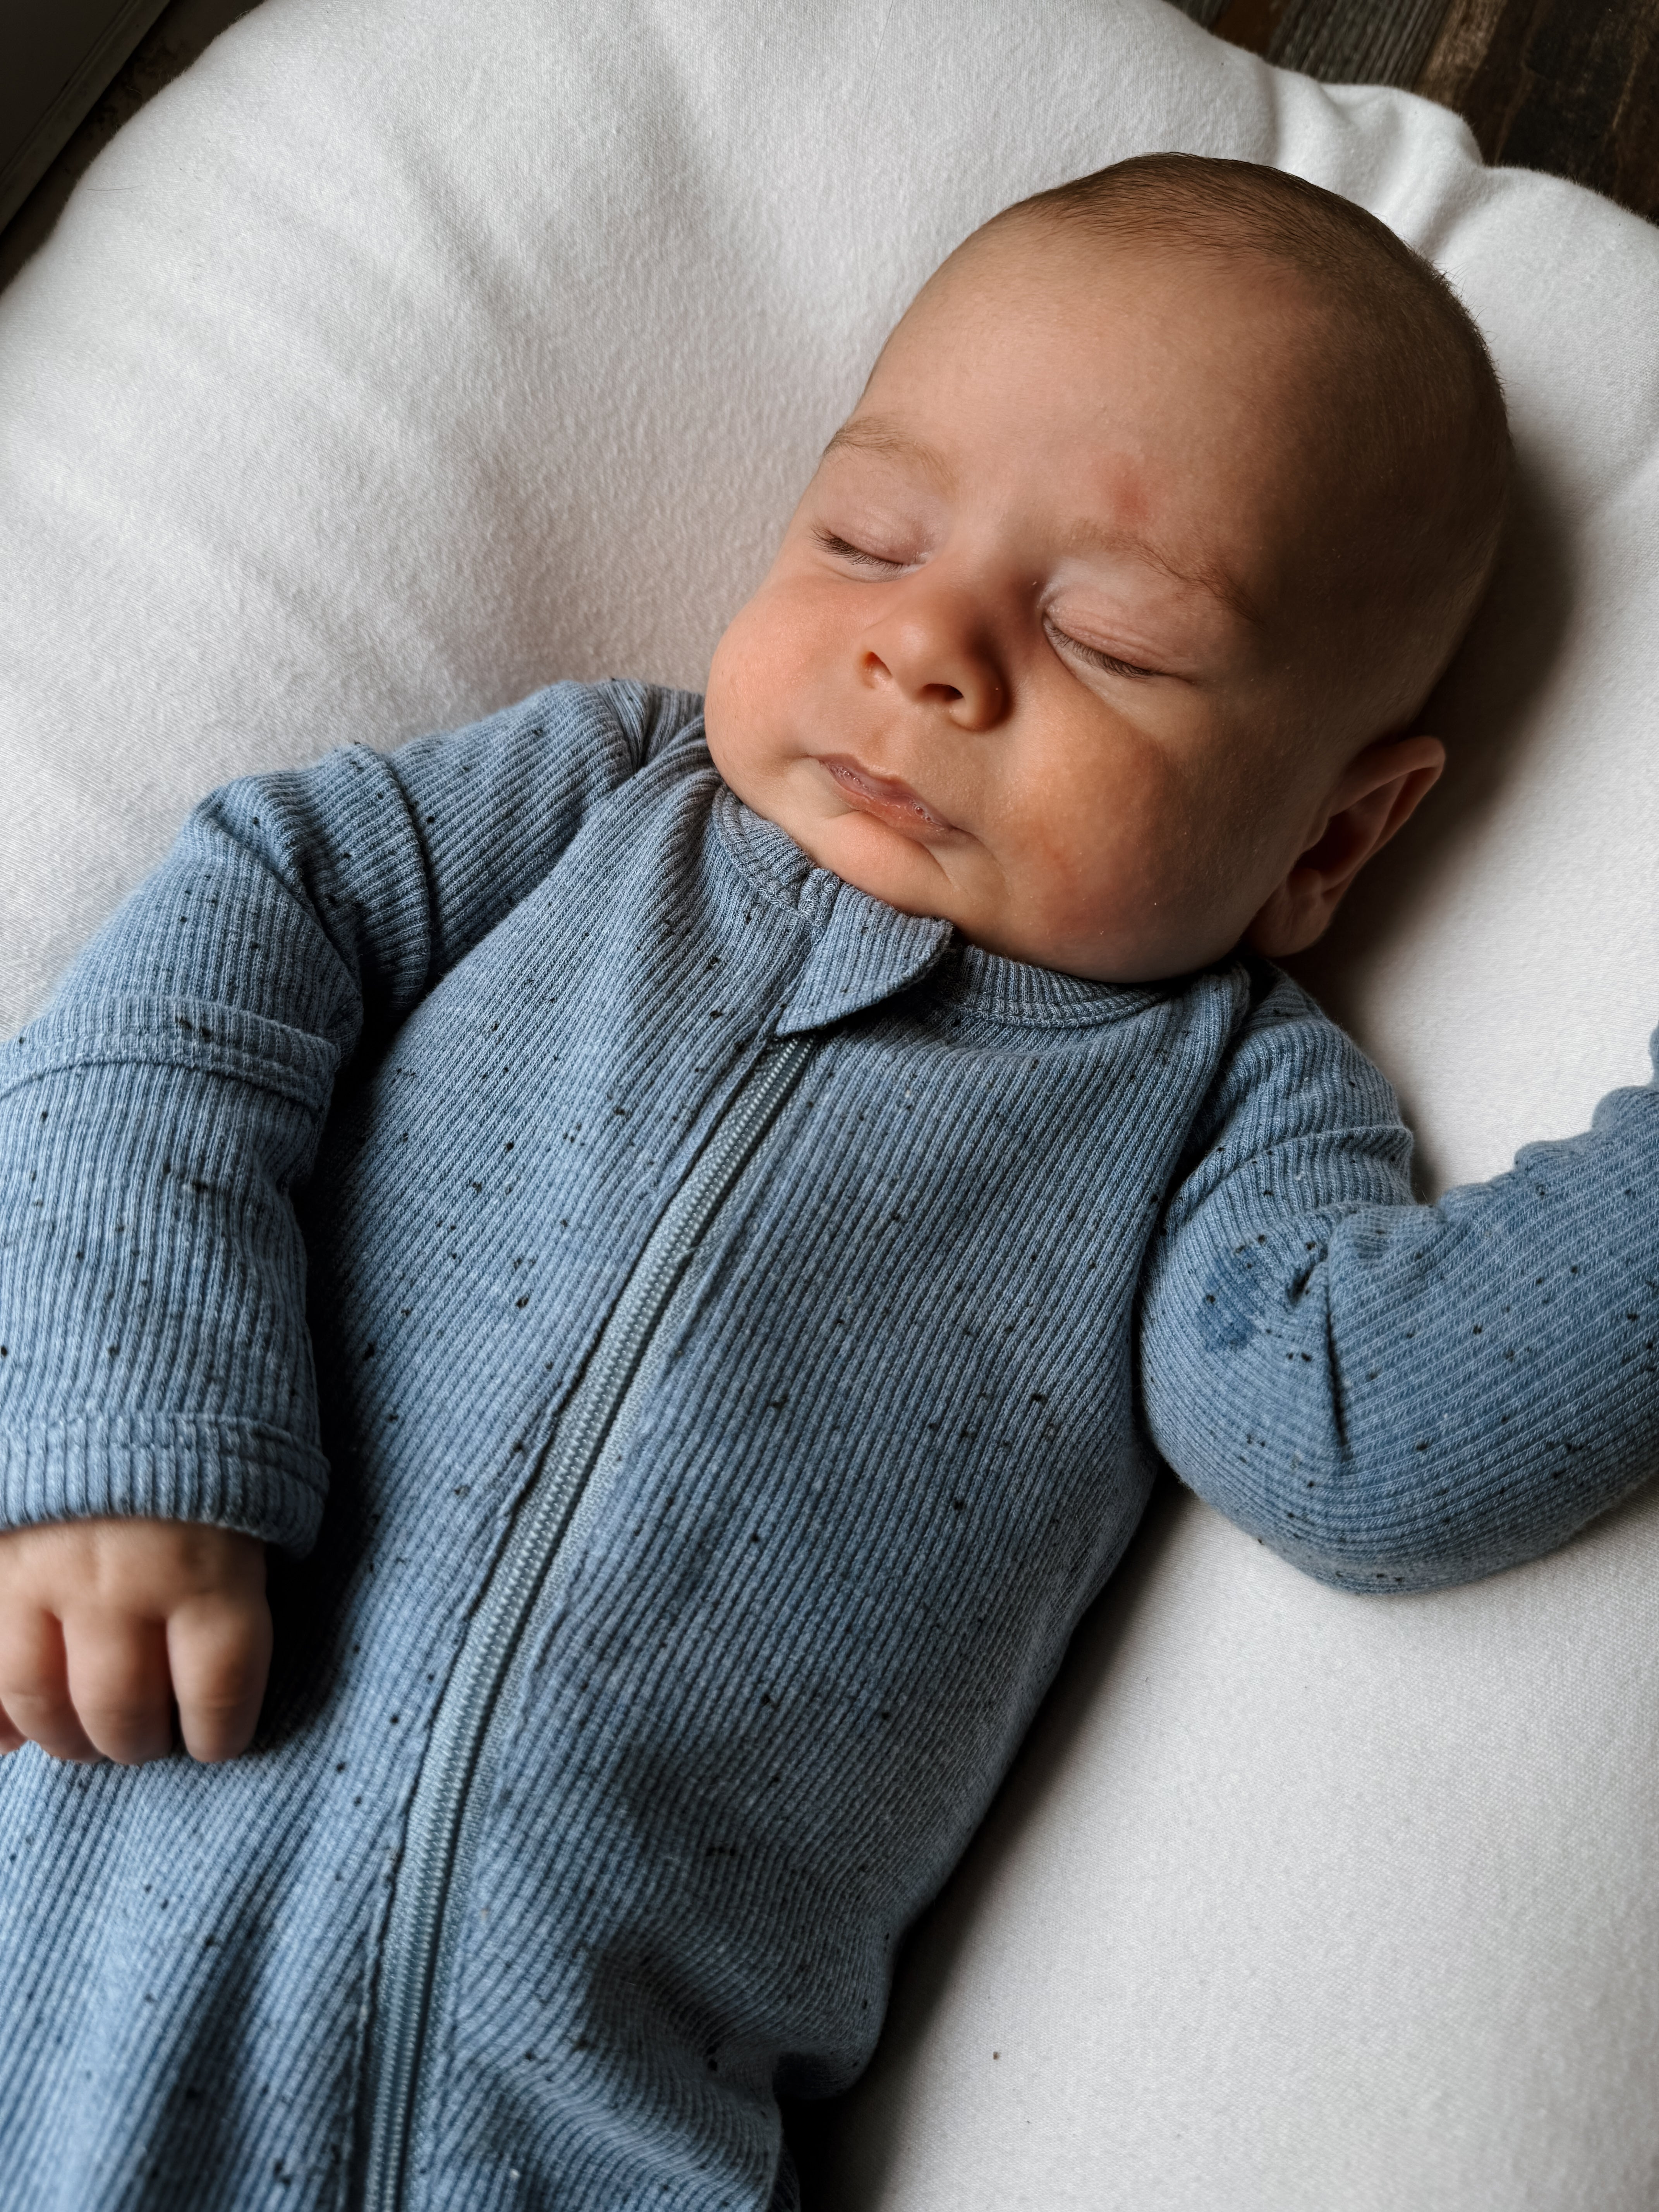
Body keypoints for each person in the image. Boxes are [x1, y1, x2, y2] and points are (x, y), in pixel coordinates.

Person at [0, 153, 1651, 2209]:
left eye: (1114, 639)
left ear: (1332, 842)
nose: (930, 648)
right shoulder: (590, 807)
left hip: (587, 2134)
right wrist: (124, 1425)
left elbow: (1361, 1427)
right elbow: (193, 985)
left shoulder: (1219, 1105)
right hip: (58, 1882)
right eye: (867, 537)